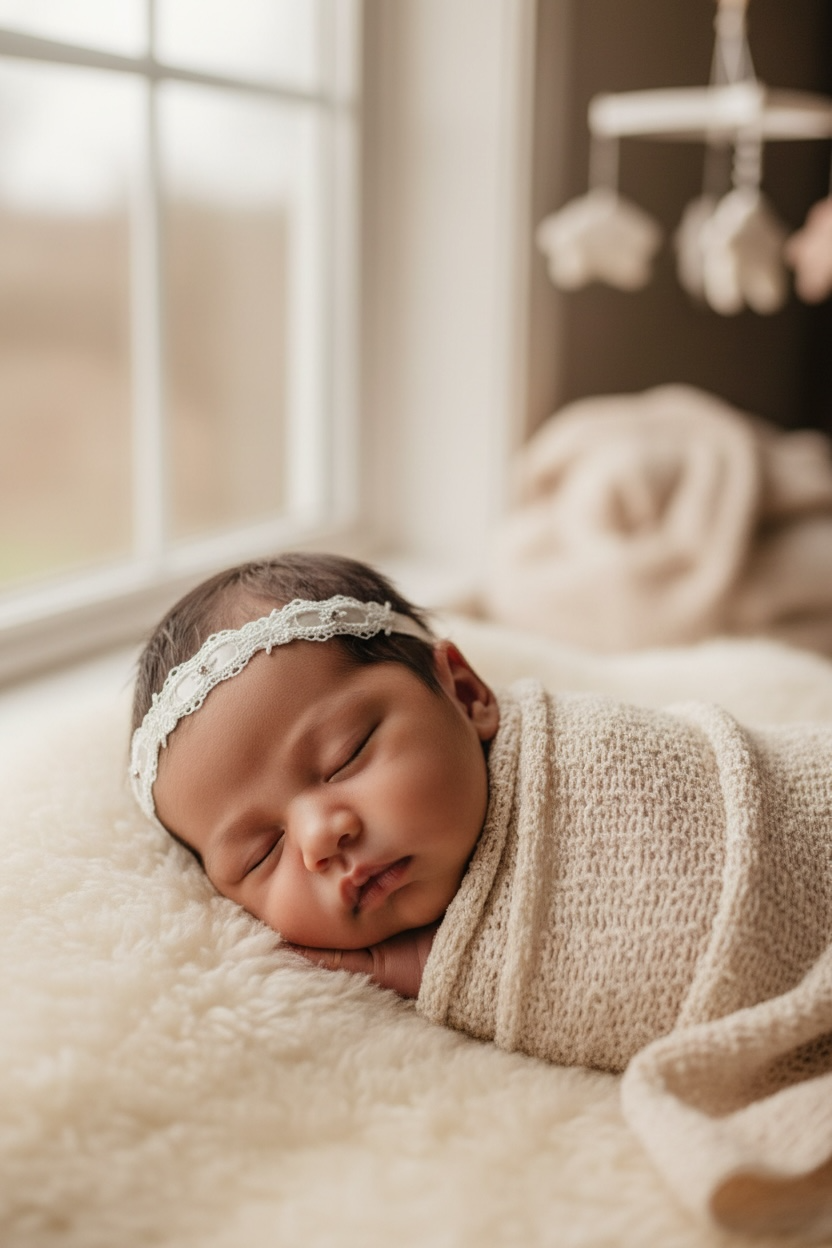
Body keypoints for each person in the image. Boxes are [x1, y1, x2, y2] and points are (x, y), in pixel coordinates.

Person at [131, 550, 832, 1236]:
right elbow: (574, 980)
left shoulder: (586, 759)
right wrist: (427, 970)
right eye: (262, 852)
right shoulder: (412, 965)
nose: (319, 838)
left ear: (466, 694)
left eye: (345, 755)